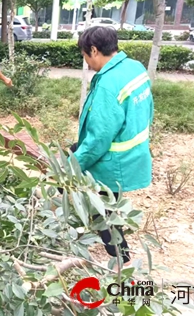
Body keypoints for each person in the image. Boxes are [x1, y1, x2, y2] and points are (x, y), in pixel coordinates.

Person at [67, 26, 154, 269]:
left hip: (112, 162)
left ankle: (121, 261)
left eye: (85, 55)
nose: (85, 61)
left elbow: (98, 140)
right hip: (131, 152)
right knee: (108, 207)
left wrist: (72, 165)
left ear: (94, 50)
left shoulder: (108, 84)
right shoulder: (134, 68)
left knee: (101, 212)